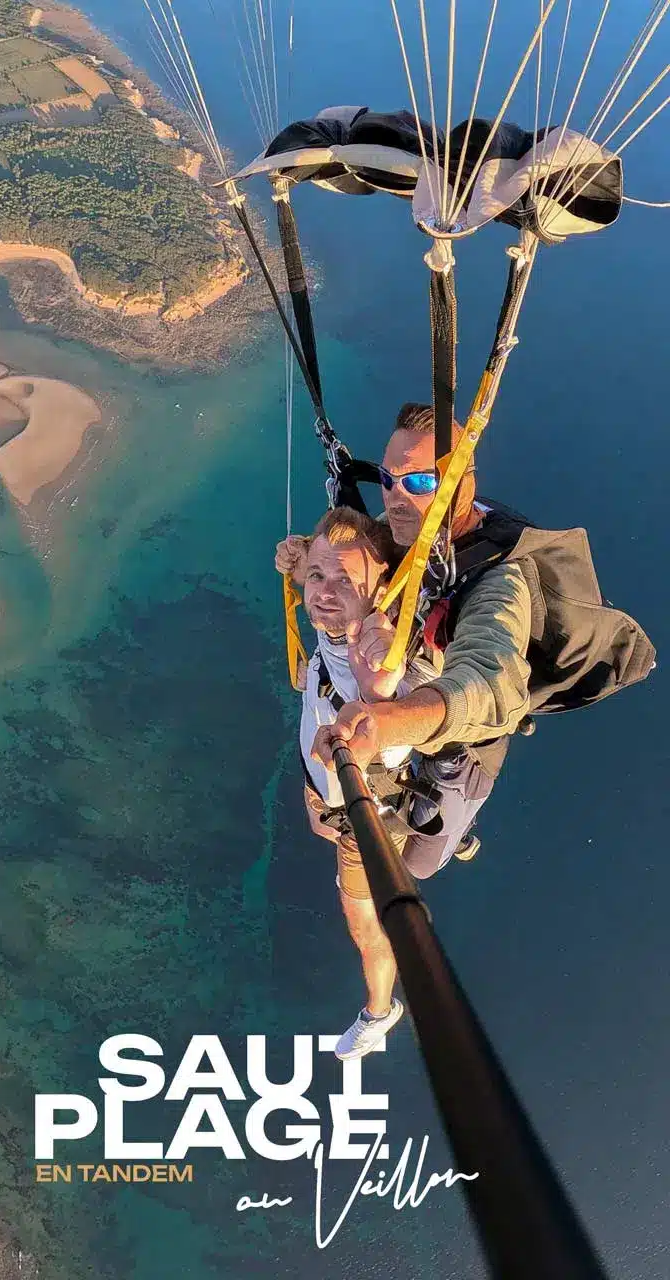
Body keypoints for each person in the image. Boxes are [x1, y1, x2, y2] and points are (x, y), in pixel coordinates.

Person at [278, 401, 534, 882]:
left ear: (463, 485)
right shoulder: (401, 531)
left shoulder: (498, 582)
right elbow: (346, 571)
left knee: (419, 863)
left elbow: (492, 680)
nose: (396, 497)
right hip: (390, 702)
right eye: (389, 479)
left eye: (418, 482)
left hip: (455, 737)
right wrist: (301, 560)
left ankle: (458, 832)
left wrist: (386, 721)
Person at [286, 505, 438, 1059]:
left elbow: (394, 716)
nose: (324, 592)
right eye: (318, 577)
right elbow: (319, 568)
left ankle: (379, 1012)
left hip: (364, 817)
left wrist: (381, 689)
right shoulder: (332, 618)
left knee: (366, 925)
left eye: (345, 582)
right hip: (329, 799)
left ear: (380, 593)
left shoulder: (382, 657)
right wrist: (300, 557)